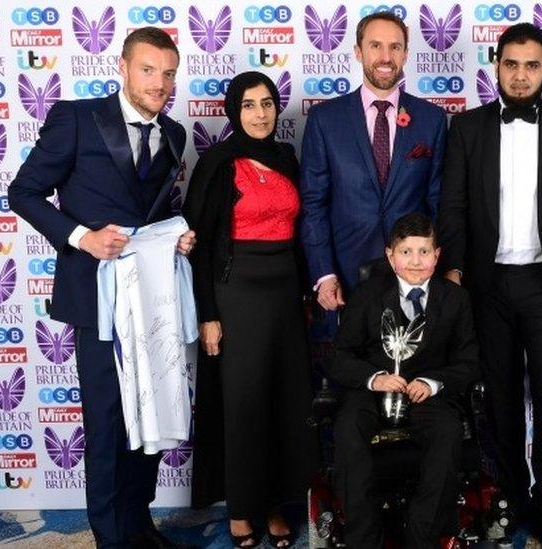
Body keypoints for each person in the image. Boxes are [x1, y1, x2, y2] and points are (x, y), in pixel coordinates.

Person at [7, 27, 195, 549]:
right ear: (124, 67)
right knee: (110, 425)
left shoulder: (175, 133)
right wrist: (81, 237)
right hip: (97, 300)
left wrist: (178, 236)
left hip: (153, 298)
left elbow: (153, 214)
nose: (159, 83)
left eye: (168, 73)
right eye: (149, 69)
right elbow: (22, 192)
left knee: (150, 420)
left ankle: (139, 525)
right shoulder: (76, 117)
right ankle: (111, 538)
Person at [436, 22, 542, 548]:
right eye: (511, 64)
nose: (521, 75)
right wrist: (454, 272)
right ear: (496, 64)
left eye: (532, 66)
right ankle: (508, 498)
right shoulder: (467, 129)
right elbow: (452, 205)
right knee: (498, 400)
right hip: (489, 286)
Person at [182, 71, 317, 549]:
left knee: (287, 402)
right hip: (235, 294)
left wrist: (305, 294)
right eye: (248, 105)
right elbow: (197, 247)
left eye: (267, 104)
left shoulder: (287, 156)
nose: (260, 114)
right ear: (232, 111)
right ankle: (241, 509)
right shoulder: (218, 162)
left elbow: (301, 234)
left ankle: (278, 505)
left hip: (284, 295)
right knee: (244, 405)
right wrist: (207, 314)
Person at [328, 212, 479, 548]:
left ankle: (421, 535)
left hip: (427, 395)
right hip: (372, 392)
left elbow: (469, 362)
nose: (415, 261)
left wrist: (433, 383)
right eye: (406, 252)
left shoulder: (455, 300)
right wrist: (374, 378)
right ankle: (364, 538)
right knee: (347, 428)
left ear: (437, 255)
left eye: (424, 252)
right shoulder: (367, 294)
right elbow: (338, 358)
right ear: (390, 256)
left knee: (448, 431)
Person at [300, 11, 447, 309]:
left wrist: (436, 268)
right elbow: (313, 203)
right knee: (352, 355)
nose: (385, 56)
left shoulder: (431, 119)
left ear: (405, 54)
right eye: (375, 45)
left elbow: (438, 201)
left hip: (414, 274)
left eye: (395, 47)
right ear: (358, 51)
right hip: (345, 273)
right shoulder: (324, 119)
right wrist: (324, 272)